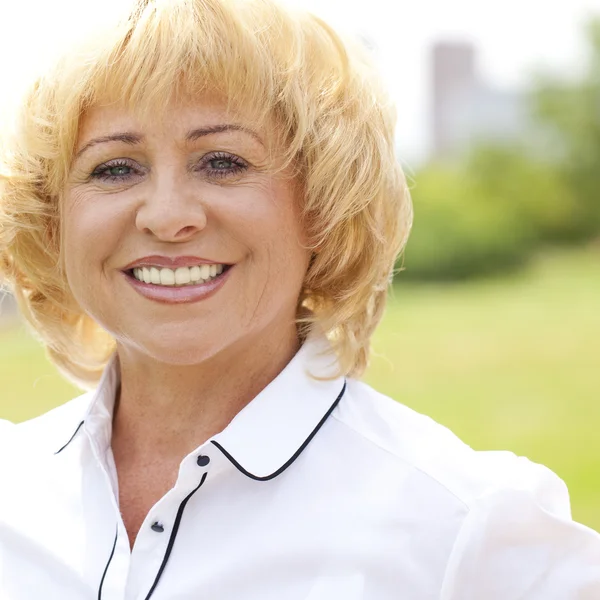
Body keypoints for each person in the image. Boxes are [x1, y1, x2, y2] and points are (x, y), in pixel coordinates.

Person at [0, 0, 598, 598]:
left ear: (321, 205)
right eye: (114, 168)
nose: (167, 216)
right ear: (53, 219)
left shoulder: (469, 530)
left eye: (222, 161)